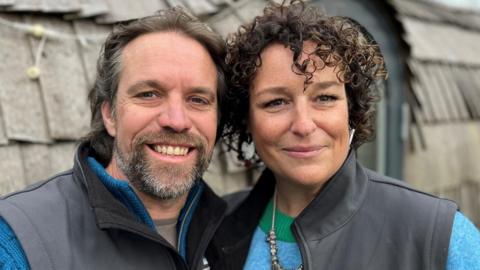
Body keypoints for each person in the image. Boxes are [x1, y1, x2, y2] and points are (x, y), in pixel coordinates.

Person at [206, 1, 480, 269]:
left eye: (325, 97)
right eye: (275, 102)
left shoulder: (437, 233)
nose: (304, 125)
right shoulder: (214, 226)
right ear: (247, 119)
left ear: (351, 110)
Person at [0, 7, 227, 270]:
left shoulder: (236, 231)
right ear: (109, 115)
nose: (176, 121)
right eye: (149, 94)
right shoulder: (17, 239)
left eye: (198, 100)